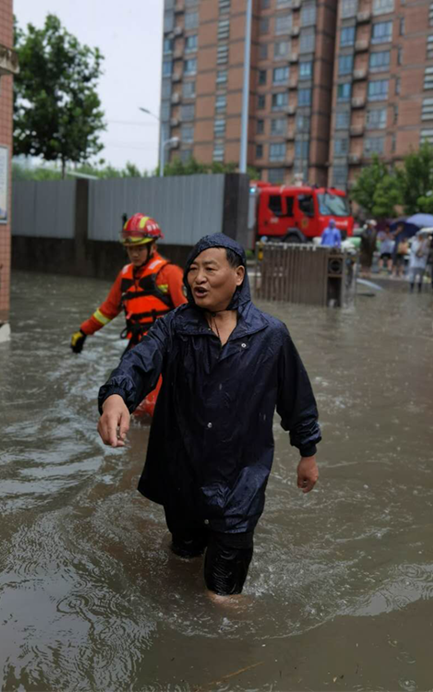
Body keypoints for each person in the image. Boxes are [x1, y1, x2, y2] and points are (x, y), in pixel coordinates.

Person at [97, 233, 321, 597]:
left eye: (209, 269)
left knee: (223, 595)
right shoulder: (174, 326)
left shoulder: (270, 335)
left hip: (241, 479)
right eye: (193, 270)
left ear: (238, 275)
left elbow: (297, 400)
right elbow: (139, 362)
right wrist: (116, 397)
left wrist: (307, 454)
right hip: (182, 475)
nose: (198, 278)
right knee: (182, 558)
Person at [71, 213, 188, 353]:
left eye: (139, 248)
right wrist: (84, 331)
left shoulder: (170, 273)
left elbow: (187, 314)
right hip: (137, 348)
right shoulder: (125, 274)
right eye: (130, 249)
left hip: (165, 347)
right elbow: (108, 310)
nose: (134, 254)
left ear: (153, 246)